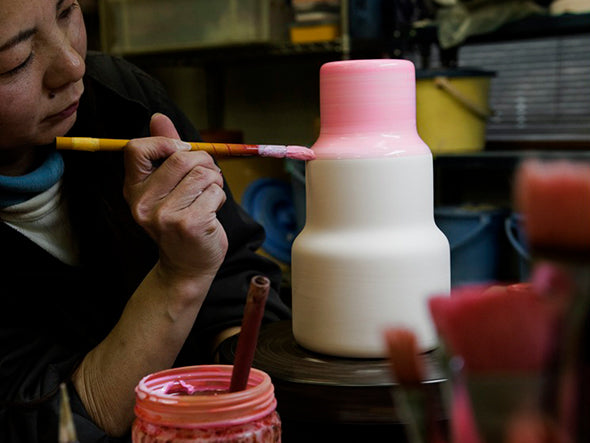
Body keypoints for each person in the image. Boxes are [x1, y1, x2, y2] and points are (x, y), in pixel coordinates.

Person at [0, 1, 291, 441]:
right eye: (14, 61)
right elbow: (50, 422)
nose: (72, 65)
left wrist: (238, 400)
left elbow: (236, 277)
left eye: (66, 12)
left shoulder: (119, 98)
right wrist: (179, 277)